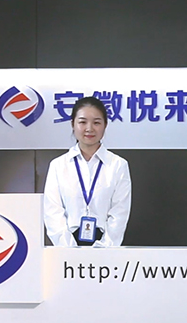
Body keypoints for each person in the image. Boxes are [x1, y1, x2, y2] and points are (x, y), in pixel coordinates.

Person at [43, 97, 132, 247]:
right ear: (73, 124)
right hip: (66, 248)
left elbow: (119, 213)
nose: (89, 128)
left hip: (106, 248)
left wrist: (104, 247)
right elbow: (53, 212)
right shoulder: (58, 165)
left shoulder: (118, 165)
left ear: (105, 125)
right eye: (82, 122)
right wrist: (68, 247)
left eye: (96, 123)